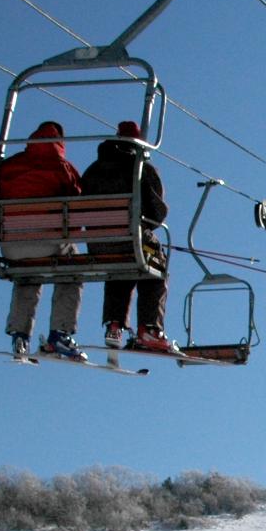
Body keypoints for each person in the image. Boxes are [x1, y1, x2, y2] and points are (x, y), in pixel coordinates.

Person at [0, 120, 88, 362]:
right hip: (50, 242)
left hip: (11, 245)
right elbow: (78, 207)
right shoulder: (62, 167)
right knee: (72, 268)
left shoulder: (7, 167)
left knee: (28, 274)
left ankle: (20, 335)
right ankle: (60, 332)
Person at [86, 121, 180, 356]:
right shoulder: (141, 168)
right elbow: (158, 212)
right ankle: (149, 329)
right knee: (155, 264)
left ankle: (114, 325)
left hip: (98, 243)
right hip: (131, 240)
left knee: (119, 267)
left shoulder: (93, 169)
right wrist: (144, 225)